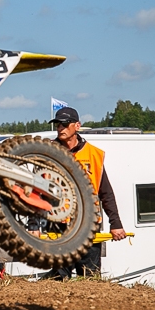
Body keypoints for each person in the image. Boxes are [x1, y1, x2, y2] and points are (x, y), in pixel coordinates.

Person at [50, 106, 125, 275]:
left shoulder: (93, 154)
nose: (60, 128)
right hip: (59, 225)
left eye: (64, 124)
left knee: (90, 277)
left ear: (77, 126)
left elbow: (105, 193)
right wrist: (33, 224)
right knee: (59, 278)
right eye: (57, 125)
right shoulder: (48, 152)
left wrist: (116, 223)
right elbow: (36, 192)